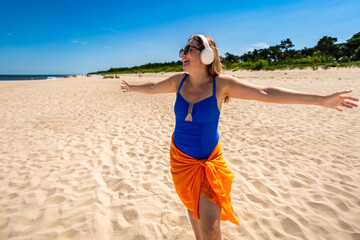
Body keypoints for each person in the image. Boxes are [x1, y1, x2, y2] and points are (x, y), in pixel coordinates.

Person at [121, 34, 358, 240]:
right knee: (192, 209)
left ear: (205, 56)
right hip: (180, 160)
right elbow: (152, 87)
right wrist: (132, 88)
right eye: (182, 50)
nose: (183, 53)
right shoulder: (178, 80)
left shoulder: (221, 84)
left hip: (208, 163)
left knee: (211, 229)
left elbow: (266, 93)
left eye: (189, 49)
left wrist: (321, 100)